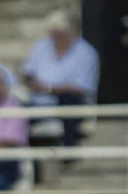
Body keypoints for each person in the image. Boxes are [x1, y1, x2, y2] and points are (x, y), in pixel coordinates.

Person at [21, 10, 98, 147]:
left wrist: (47, 89)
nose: (55, 38)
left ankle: (69, 152)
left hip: (72, 104)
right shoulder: (42, 45)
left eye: (60, 34)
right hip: (38, 102)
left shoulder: (86, 52)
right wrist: (31, 82)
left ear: (70, 33)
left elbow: (80, 89)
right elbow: (28, 72)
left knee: (68, 100)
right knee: (13, 109)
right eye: (53, 33)